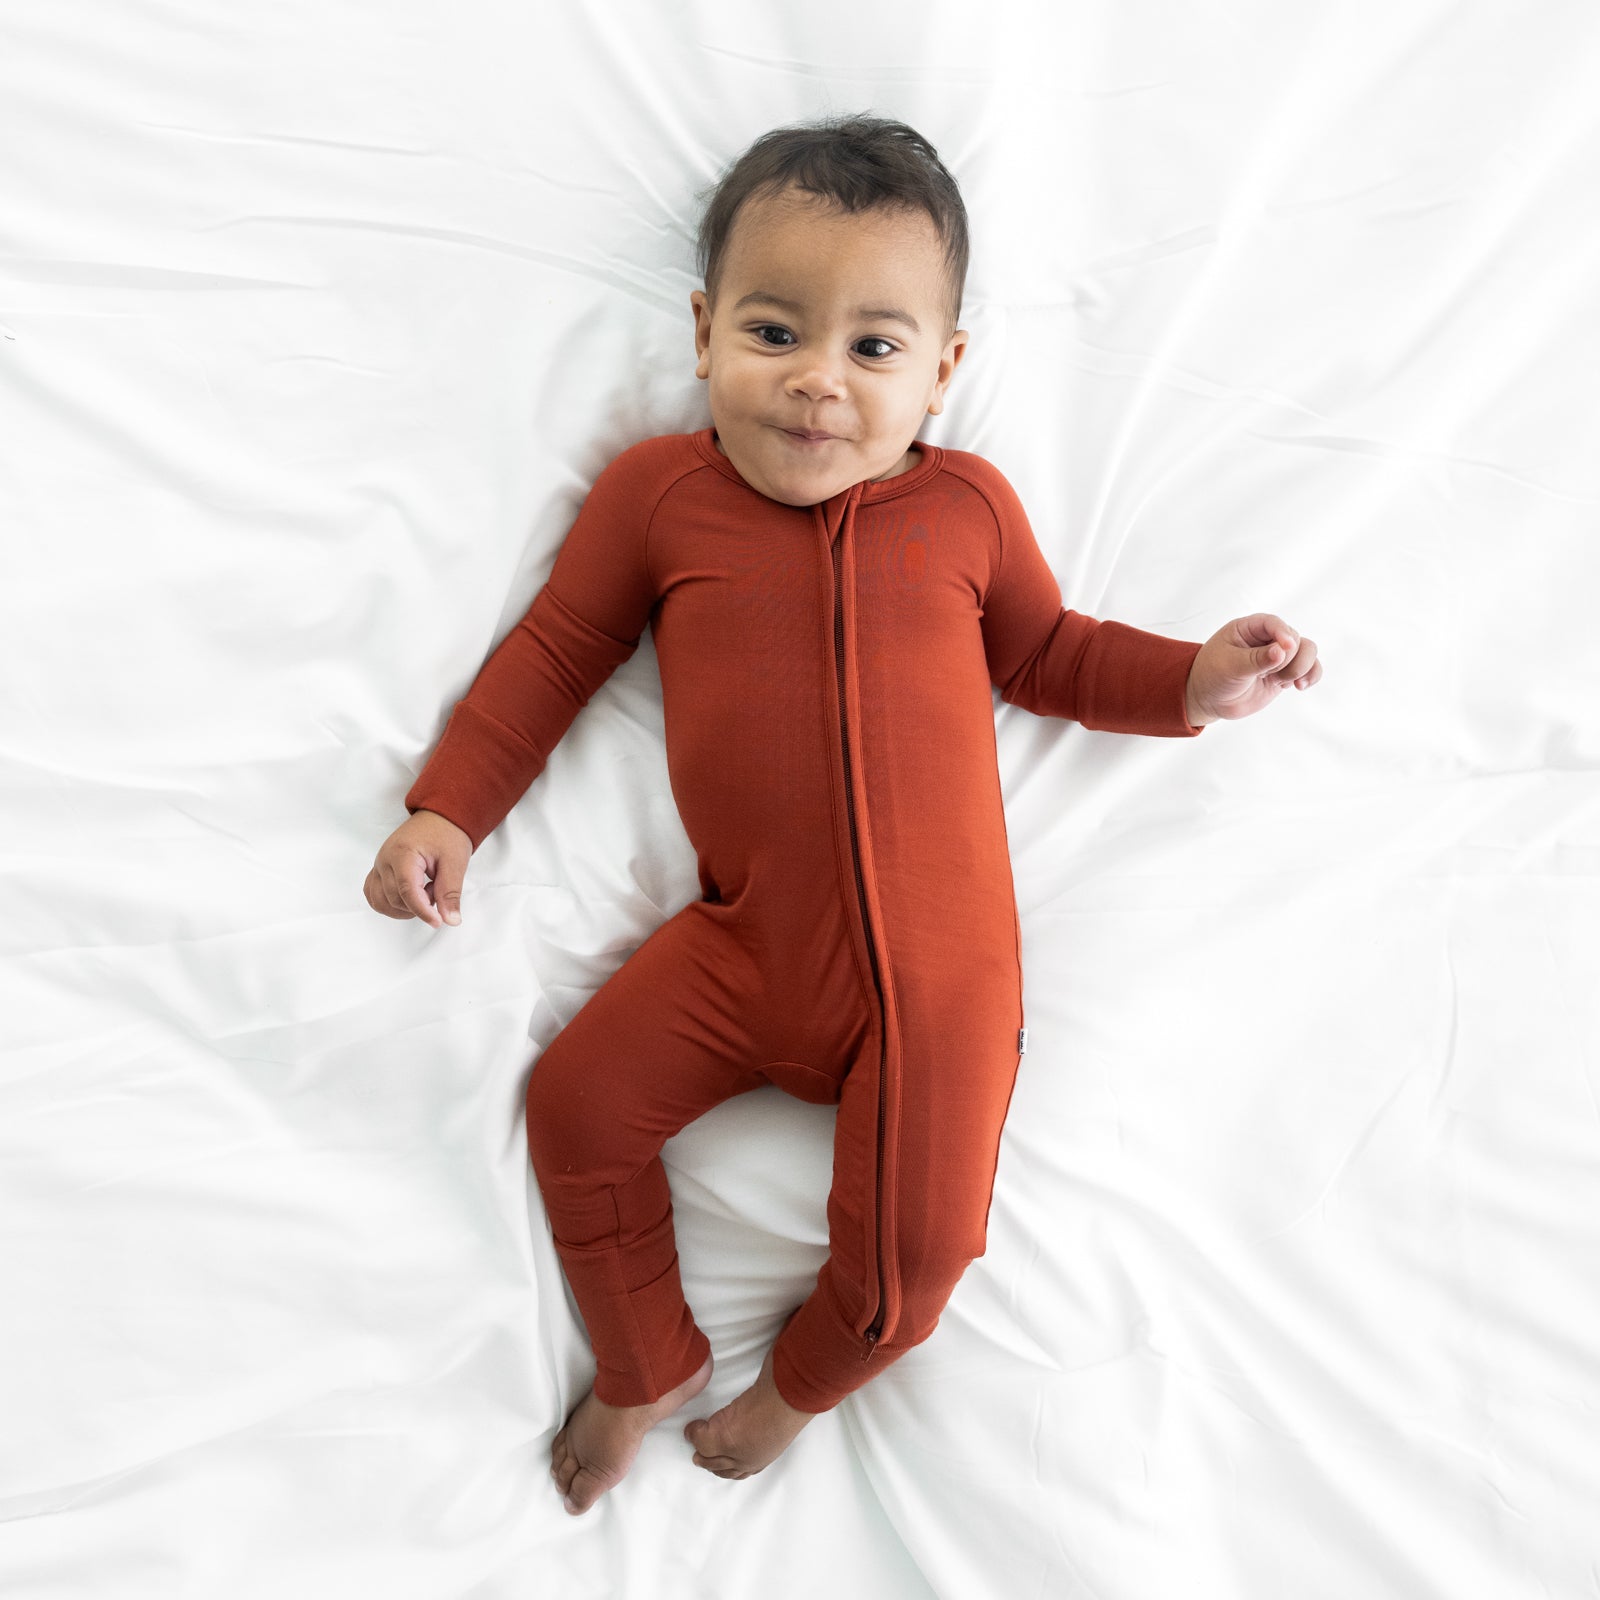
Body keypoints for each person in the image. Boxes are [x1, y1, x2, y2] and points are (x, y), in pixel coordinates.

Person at [362, 113, 1323, 1516]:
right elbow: (557, 654)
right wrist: (447, 811)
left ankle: (792, 1392)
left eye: (873, 349)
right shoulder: (660, 497)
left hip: (940, 990)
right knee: (574, 1106)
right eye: (773, 331)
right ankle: (646, 1359)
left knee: (915, 1260)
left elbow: (1049, 654)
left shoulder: (970, 513)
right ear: (702, 335)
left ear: (942, 372)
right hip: (744, 950)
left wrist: (1190, 678)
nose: (818, 384)